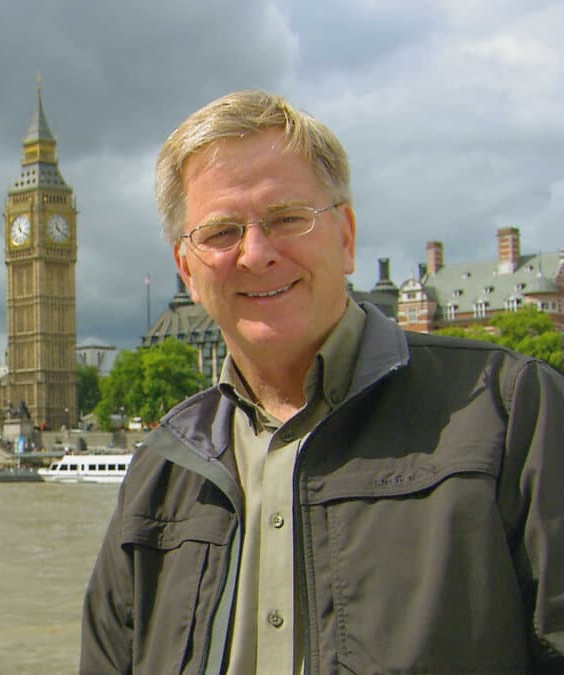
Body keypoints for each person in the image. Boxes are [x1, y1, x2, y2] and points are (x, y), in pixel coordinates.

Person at [79, 90, 563, 674]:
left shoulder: (513, 413)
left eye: (288, 218)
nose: (256, 254)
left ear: (346, 237)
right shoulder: (159, 472)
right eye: (221, 232)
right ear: (187, 268)